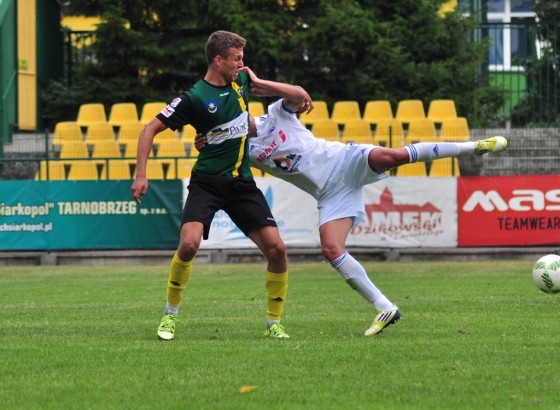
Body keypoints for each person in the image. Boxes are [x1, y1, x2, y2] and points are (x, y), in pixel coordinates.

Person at [195, 67, 508, 336]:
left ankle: (474, 147)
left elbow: (300, 95)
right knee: (331, 248)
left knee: (395, 155)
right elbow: (213, 146)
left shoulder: (275, 114)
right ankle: (385, 307)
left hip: (344, 161)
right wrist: (206, 139)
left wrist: (261, 83)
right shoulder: (243, 152)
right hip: (330, 194)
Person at [131, 31, 313, 341]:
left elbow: (300, 95)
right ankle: (169, 317)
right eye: (237, 59)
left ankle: (274, 324)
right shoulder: (193, 98)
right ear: (219, 60)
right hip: (207, 183)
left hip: (241, 183)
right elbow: (150, 128)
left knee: (278, 249)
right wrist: (140, 174)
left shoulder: (241, 82)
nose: (242, 64)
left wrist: (258, 81)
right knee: (188, 245)